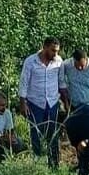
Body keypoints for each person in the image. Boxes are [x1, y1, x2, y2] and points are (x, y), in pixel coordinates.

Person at [18, 38, 64, 167]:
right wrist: (23, 102)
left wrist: (65, 101)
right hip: (35, 103)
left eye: (57, 51)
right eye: (52, 51)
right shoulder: (30, 61)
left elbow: (61, 82)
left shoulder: (58, 61)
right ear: (44, 47)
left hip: (52, 102)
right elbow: (24, 82)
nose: (55, 54)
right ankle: (38, 164)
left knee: (53, 134)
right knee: (36, 134)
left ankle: (54, 165)